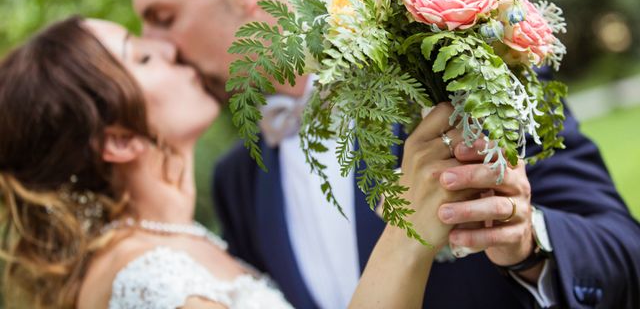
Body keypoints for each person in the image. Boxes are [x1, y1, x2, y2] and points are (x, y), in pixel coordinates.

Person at [104, 0, 640, 308]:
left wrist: (528, 243)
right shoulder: (238, 180)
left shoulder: (460, 77)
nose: (162, 46)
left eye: (163, 16)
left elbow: (624, 257)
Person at [0, 16, 469, 308]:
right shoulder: (147, 279)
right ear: (120, 140)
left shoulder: (175, 247)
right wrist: (406, 237)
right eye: (141, 58)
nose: (165, 46)